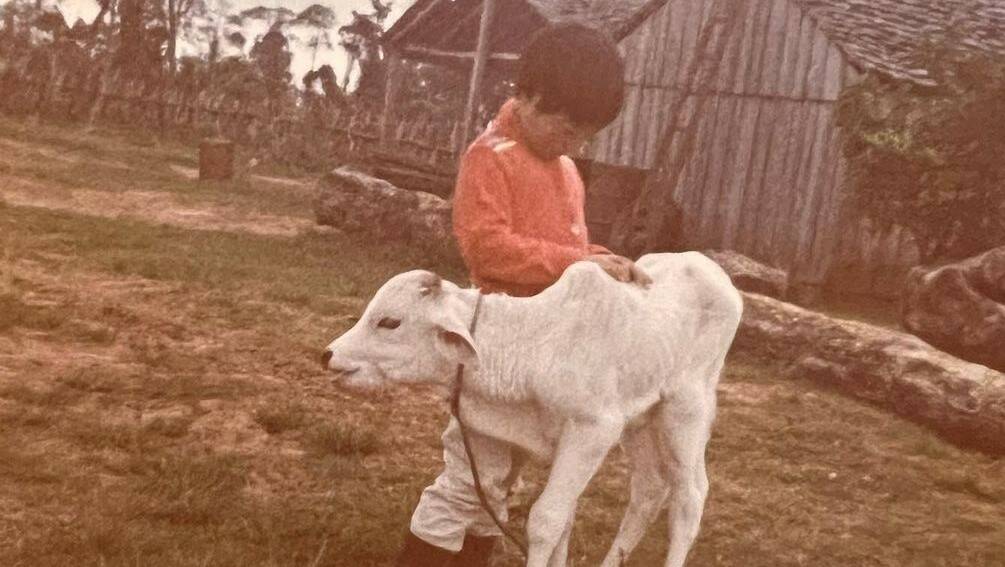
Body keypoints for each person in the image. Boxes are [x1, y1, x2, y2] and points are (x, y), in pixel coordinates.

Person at [397, 22, 650, 567]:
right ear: (531, 95)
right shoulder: (491, 156)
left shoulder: (565, 171)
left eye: (586, 135)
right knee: (471, 478)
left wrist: (603, 260)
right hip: (494, 346)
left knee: (501, 484)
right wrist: (578, 263)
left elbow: (567, 248)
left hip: (542, 354)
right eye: (568, 128)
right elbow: (488, 249)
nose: (575, 143)